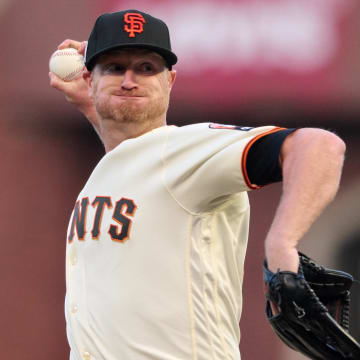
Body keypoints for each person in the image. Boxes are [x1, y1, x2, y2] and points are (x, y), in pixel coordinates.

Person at [49, 9, 346, 360]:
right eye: (114, 68)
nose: (130, 80)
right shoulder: (115, 166)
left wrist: (282, 243)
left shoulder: (187, 150)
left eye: (146, 68)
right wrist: (96, 107)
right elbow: (133, 159)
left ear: (169, 81)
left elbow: (319, 147)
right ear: (88, 78)